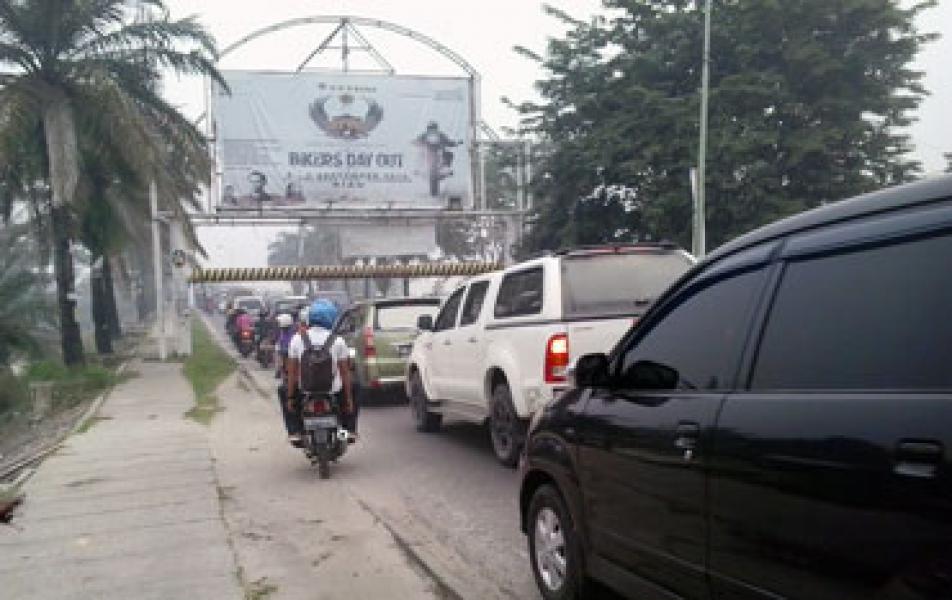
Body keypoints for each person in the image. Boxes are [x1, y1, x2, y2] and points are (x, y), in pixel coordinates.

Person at [285, 300, 356, 445]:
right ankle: (347, 431)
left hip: (305, 390)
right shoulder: (338, 340)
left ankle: (295, 432)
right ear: (331, 318)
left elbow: (292, 373)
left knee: (282, 390)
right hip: (333, 390)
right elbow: (345, 373)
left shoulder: (297, 339)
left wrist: (290, 398)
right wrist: (348, 400)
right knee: (356, 387)